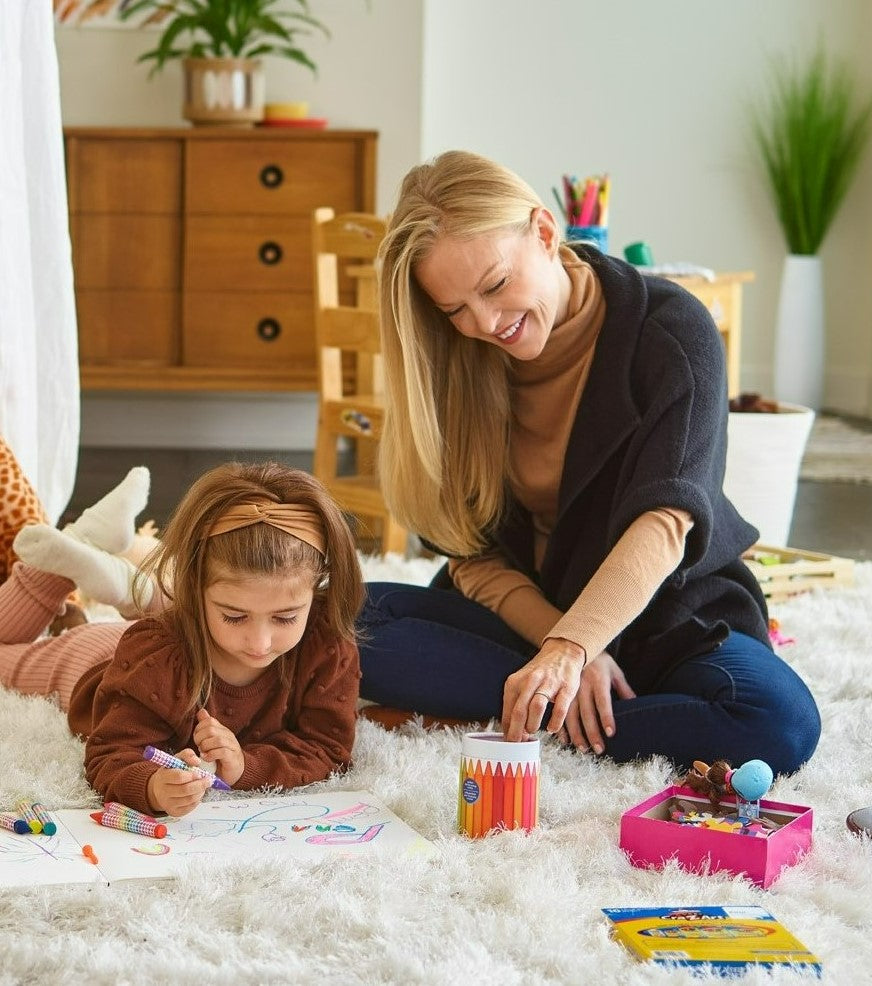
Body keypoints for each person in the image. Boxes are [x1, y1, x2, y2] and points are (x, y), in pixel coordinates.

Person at [356, 150, 821, 776]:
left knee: (778, 724)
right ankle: (566, 707)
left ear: (545, 233)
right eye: (455, 309)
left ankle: (514, 715)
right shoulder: (457, 358)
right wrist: (561, 645)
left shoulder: (671, 330)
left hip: (665, 618)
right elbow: (475, 557)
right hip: (526, 624)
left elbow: (665, 522)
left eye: (494, 286)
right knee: (340, 618)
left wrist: (576, 646)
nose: (486, 324)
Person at [0, 462, 363, 817]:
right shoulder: (156, 655)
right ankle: (64, 557)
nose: (260, 643)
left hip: (155, 645)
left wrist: (245, 766)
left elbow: (327, 748)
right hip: (93, 661)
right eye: (234, 616)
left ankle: (89, 572)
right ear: (192, 589)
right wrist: (153, 788)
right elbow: (109, 756)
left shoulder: (326, 642)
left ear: (315, 589)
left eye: (286, 617)